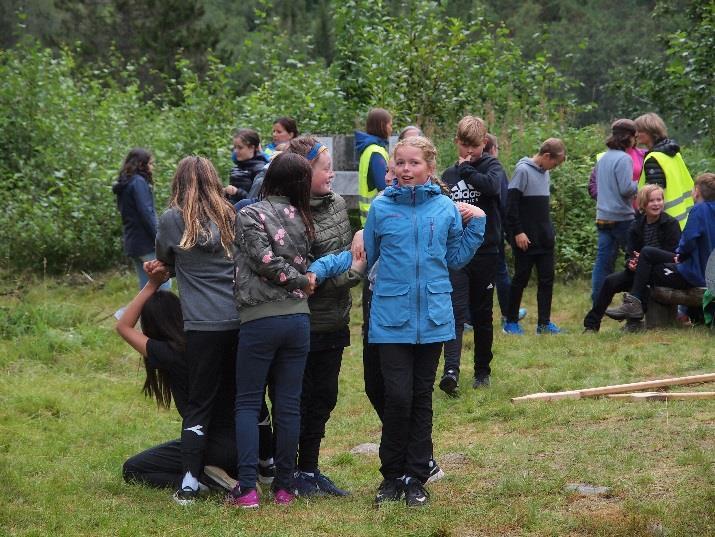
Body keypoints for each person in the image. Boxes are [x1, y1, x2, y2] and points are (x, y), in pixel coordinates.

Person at [363, 136, 486, 507]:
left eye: (413, 163)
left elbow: (456, 258)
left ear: (430, 168)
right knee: (396, 397)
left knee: (421, 398)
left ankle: (416, 478)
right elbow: (371, 256)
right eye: (400, 162)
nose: (405, 169)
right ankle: (390, 476)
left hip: (433, 318)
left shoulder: (445, 209)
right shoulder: (380, 209)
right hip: (392, 318)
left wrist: (477, 222)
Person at [228, 152, 317, 509]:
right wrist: (305, 282)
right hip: (298, 319)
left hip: (260, 318)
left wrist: (298, 279)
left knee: (248, 402)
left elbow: (263, 261)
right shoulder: (305, 218)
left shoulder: (249, 213)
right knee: (288, 405)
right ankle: (284, 487)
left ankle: (248, 488)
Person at [154, 156, 242, 504]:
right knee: (242, 399)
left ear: (178, 182)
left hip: (201, 325)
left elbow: (167, 259)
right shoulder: (231, 215)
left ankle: (190, 480)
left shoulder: (172, 219)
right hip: (238, 320)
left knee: (198, 403)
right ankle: (258, 467)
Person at [284, 137, 364, 497]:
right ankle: (289, 473)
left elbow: (346, 253)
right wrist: (356, 273)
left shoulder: (336, 205)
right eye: (325, 168)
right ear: (303, 175)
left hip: (335, 320)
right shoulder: (287, 214)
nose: (332, 174)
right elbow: (305, 280)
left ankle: (310, 470)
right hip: (302, 322)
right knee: (297, 399)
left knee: (324, 397)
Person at [117, 268, 238, 497]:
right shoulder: (212, 346)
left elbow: (123, 326)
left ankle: (201, 480)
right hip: (248, 443)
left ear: (152, 327)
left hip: (210, 446)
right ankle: (219, 474)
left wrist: (153, 283)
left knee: (133, 469)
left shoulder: (169, 353)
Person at [439, 117, 505, 395]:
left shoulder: (492, 166)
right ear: (457, 141)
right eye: (465, 145)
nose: (469, 151)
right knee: (454, 311)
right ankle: (450, 371)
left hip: (486, 252)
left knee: (482, 314)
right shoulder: (448, 174)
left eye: (475, 146)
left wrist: (467, 168)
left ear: (485, 143)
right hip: (456, 254)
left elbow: (491, 188)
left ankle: (482, 371)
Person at [606, 172, 715, 321]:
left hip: (695, 275)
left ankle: (634, 309)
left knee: (645, 268)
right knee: (647, 254)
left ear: (697, 191)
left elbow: (688, 240)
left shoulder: (699, 210)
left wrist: (680, 255)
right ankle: (634, 305)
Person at [583, 185, 680, 332]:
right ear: (643, 204)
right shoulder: (636, 226)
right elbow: (630, 254)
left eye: (659, 200)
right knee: (610, 281)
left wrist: (647, 258)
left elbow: (673, 255)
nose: (656, 204)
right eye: (651, 201)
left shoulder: (671, 224)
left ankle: (633, 323)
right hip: (640, 271)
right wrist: (631, 264)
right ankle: (591, 325)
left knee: (646, 260)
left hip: (663, 271)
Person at [503, 138, 566, 335]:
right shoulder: (523, 171)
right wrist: (518, 232)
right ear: (547, 156)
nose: (553, 168)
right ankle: (511, 322)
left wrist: (549, 231)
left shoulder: (545, 173)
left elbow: (541, 209)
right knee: (520, 279)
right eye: (554, 163)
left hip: (544, 238)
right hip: (525, 239)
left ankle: (544, 324)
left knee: (547, 280)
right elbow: (511, 206)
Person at [589, 119, 639, 307]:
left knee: (602, 264)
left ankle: (598, 303)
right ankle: (634, 301)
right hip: (622, 218)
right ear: (629, 137)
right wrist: (641, 185)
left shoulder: (603, 158)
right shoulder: (624, 158)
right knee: (634, 258)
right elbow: (626, 189)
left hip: (602, 217)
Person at [112, 148, 169, 290]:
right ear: (141, 165)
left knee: (146, 288)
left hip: (133, 242)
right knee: (162, 285)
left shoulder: (125, 184)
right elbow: (147, 213)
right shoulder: (138, 182)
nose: (152, 167)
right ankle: (162, 313)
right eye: (150, 164)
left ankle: (144, 312)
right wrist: (160, 238)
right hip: (146, 243)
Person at [487, 134, 527, 325]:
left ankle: (468, 317)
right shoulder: (496, 170)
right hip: (493, 229)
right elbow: (504, 201)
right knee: (500, 271)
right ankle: (508, 312)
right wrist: (509, 231)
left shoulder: (466, 167)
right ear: (493, 149)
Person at [635, 112, 694, 229]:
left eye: (639, 131)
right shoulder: (673, 153)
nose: (636, 134)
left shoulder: (654, 159)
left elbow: (654, 195)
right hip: (682, 219)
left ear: (650, 132)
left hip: (664, 223)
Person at [356, 108, 393, 227]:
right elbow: (384, 186)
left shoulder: (368, 149)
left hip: (370, 218)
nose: (391, 129)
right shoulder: (376, 152)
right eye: (390, 125)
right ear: (382, 126)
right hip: (378, 219)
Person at [224, 129, 269, 204]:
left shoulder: (260, 170)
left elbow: (260, 200)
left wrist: (237, 192)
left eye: (240, 147)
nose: (235, 151)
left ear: (252, 148)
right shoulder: (237, 167)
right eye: (235, 147)